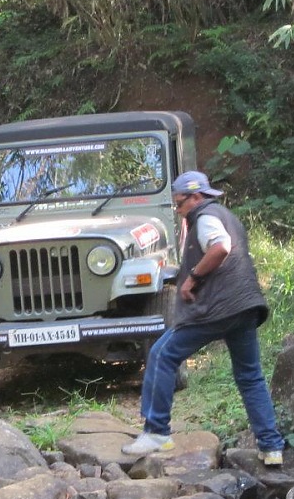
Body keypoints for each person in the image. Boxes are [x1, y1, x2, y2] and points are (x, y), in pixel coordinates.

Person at [122, 171, 285, 465]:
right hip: (246, 306)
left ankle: (156, 431)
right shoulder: (226, 214)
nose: (178, 209)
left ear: (196, 197)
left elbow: (220, 247)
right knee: (250, 377)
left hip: (217, 308)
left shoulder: (205, 216)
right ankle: (271, 447)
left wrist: (192, 278)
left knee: (161, 354)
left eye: (180, 203)